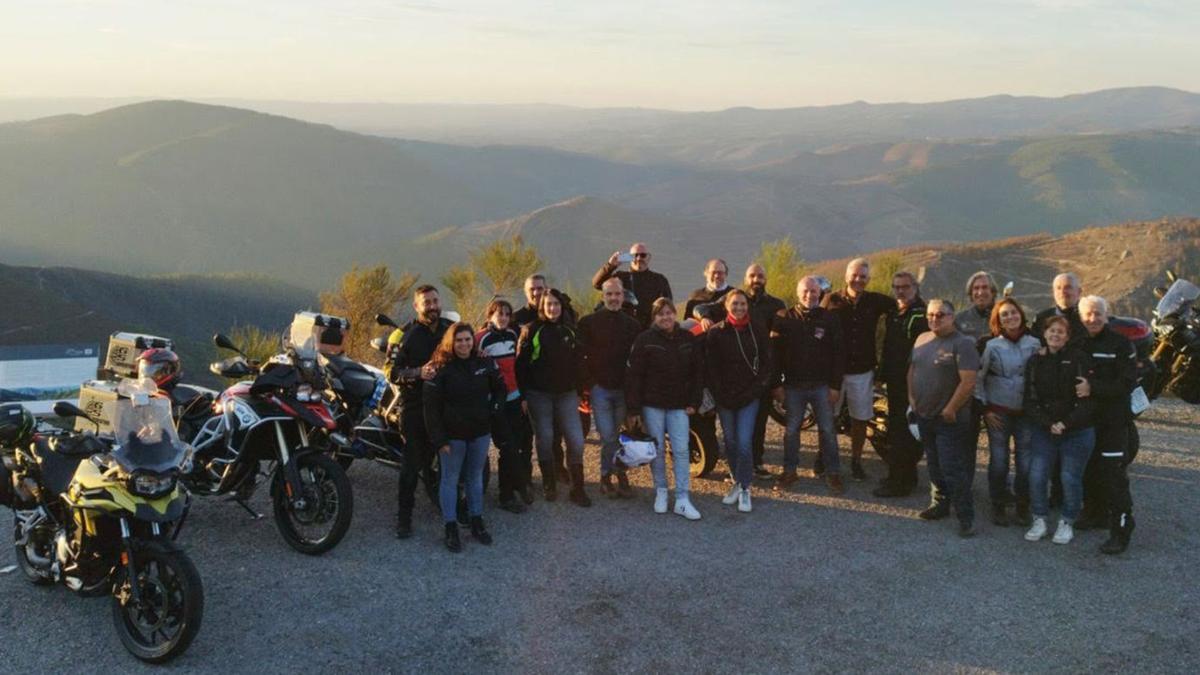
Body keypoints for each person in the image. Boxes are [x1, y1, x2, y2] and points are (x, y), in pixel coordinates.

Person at [424, 323, 507, 552]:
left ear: (474, 341)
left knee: (475, 478)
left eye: (468, 340)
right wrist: (439, 440)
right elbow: (430, 409)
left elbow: (500, 388)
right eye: (459, 340)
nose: (464, 344)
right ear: (451, 342)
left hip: (479, 432)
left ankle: (476, 521)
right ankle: (450, 526)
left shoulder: (484, 362)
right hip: (452, 436)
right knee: (449, 480)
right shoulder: (440, 368)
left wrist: (494, 410)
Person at [626, 298, 704, 520]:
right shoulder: (644, 340)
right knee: (657, 450)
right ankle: (661, 491)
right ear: (654, 317)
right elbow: (634, 377)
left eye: (669, 313)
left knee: (680, 450)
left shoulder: (687, 338)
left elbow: (698, 373)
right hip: (653, 405)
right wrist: (634, 410)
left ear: (675, 314)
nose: (666, 317)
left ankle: (682, 498)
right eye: (661, 314)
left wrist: (694, 401)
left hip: (679, 405)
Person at [910, 299, 980, 538]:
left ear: (952, 317)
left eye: (941, 315)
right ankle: (939, 505)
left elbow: (969, 381)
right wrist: (911, 397)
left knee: (952, 467)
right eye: (930, 315)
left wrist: (951, 408)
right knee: (933, 463)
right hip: (924, 414)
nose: (935, 319)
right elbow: (912, 369)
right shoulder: (922, 339)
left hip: (949, 418)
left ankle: (965, 516)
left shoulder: (963, 344)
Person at [387, 284, 453, 540]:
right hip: (415, 407)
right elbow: (393, 372)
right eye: (426, 302)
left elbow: (464, 350)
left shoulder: (449, 329)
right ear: (416, 306)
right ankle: (404, 517)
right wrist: (417, 373)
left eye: (435, 301)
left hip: (446, 406)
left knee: (450, 459)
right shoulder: (407, 335)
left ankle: (454, 510)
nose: (432, 306)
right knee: (411, 465)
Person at [1022, 316, 1095, 545]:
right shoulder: (1035, 361)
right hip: (1045, 429)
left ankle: (1067, 520)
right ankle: (1040, 518)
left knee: (1069, 477)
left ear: (1068, 337)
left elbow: (1087, 401)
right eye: (1052, 331)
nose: (1055, 335)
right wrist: (1047, 423)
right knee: (1037, 475)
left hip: (1077, 430)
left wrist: (1066, 423)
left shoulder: (1080, 359)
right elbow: (1029, 400)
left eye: (1061, 332)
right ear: (1044, 334)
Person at [515, 288, 591, 507]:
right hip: (539, 394)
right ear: (542, 307)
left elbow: (579, 362)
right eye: (548, 304)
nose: (552, 308)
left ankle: (578, 488)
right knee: (545, 438)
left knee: (575, 440)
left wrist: (580, 392)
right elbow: (521, 366)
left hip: (567, 394)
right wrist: (522, 395)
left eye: (556, 304)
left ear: (561, 306)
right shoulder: (532, 330)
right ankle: (549, 482)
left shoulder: (570, 330)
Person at [821, 257, 894, 481]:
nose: (858, 280)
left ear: (868, 279)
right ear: (846, 277)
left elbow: (902, 303)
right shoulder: (830, 300)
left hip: (862, 370)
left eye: (863, 276)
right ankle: (824, 457)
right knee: (828, 417)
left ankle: (856, 460)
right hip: (834, 369)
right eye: (854, 275)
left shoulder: (876, 301)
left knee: (860, 418)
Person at [771, 276, 845, 494]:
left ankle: (833, 472)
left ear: (819, 293)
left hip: (822, 386)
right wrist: (776, 385)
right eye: (805, 291)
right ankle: (789, 471)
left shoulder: (830, 319)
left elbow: (839, 354)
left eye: (813, 291)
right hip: (793, 386)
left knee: (828, 430)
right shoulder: (783, 317)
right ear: (797, 292)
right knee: (792, 431)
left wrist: (835, 386)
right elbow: (774, 355)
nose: (809, 295)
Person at [1076, 295, 1137, 554]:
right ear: (1081, 317)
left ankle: (1121, 529)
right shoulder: (1077, 342)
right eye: (1088, 314)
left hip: (1113, 421)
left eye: (1097, 313)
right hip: (1087, 422)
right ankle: (1095, 513)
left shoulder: (1121, 344)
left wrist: (1093, 388)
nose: (1093, 318)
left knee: (1113, 476)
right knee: (1089, 470)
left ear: (1106, 314)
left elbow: (1127, 383)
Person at [705, 290, 772, 512]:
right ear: (726, 306)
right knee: (730, 441)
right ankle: (736, 479)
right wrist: (720, 394)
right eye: (735, 304)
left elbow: (766, 365)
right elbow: (711, 369)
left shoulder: (758, 330)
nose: (739, 308)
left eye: (743, 304)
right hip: (725, 396)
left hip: (749, 396)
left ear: (748, 306)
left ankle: (744, 488)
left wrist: (754, 391)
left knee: (744, 442)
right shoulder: (716, 333)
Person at [976, 298, 1040, 527]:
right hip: (998, 411)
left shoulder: (1034, 343)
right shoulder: (992, 346)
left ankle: (1023, 505)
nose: (1010, 317)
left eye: (1013, 312)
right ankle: (999, 504)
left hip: (1025, 413)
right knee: (999, 461)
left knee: (1025, 462)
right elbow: (979, 379)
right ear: (998, 320)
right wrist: (984, 409)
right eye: (1004, 315)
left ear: (1021, 314)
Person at [578, 277, 642, 499]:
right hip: (601, 390)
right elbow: (580, 356)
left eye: (617, 294)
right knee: (607, 435)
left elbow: (637, 362)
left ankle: (616, 476)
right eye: (609, 294)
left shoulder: (633, 326)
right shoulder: (588, 323)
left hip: (623, 390)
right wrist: (588, 384)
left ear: (623, 296)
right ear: (603, 296)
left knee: (617, 435)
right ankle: (609, 476)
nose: (614, 298)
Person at [475, 299, 534, 512]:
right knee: (507, 447)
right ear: (490, 315)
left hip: (514, 398)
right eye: (499, 314)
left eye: (507, 314)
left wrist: (523, 397)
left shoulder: (512, 335)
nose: (503, 318)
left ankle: (508, 491)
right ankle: (510, 492)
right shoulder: (480, 338)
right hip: (494, 401)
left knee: (514, 446)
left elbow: (516, 367)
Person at [874, 271, 928, 498]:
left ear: (915, 288)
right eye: (896, 287)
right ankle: (900, 475)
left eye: (905, 286)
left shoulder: (921, 315)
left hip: (912, 382)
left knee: (905, 431)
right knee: (896, 429)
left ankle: (901, 482)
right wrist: (881, 373)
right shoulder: (895, 313)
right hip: (894, 381)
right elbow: (889, 347)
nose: (900, 291)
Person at [514, 273, 571, 484]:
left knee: (554, 432)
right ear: (525, 292)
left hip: (555, 386)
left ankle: (558, 467)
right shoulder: (517, 318)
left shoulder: (560, 314)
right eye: (532, 289)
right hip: (529, 385)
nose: (537, 292)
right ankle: (526, 475)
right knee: (528, 435)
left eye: (540, 288)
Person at [743, 263, 786, 478]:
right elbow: (706, 309)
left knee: (760, 420)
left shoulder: (777, 304)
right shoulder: (737, 299)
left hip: (765, 370)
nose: (756, 280)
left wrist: (777, 380)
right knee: (740, 420)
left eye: (760, 276)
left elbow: (781, 341)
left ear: (766, 279)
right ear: (746, 278)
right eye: (752, 276)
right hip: (740, 370)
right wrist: (702, 316)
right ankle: (739, 462)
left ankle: (756, 461)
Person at [592, 242, 673, 328]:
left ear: (648, 257)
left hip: (650, 330)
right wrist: (610, 265)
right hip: (623, 328)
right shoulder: (620, 278)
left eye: (643, 255)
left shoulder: (659, 280)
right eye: (634, 255)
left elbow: (668, 304)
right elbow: (597, 284)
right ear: (628, 258)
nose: (638, 258)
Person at [1033, 273, 1086, 342]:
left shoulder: (1089, 318)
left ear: (1079, 291)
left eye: (1068, 287)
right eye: (1058, 288)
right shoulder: (1041, 319)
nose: (1062, 292)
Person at [684, 258, 733, 329]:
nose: (716, 276)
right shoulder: (695, 296)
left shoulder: (734, 294)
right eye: (713, 272)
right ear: (706, 274)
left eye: (720, 273)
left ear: (726, 274)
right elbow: (687, 324)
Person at [955, 271, 998, 341]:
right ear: (970, 294)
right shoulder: (959, 319)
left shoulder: (1004, 316)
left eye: (985, 287)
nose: (980, 292)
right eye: (976, 288)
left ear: (993, 292)